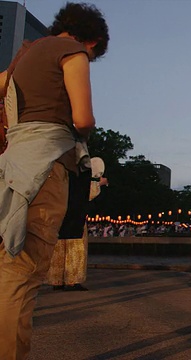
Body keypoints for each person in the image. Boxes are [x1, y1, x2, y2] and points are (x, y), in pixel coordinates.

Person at [0, 3, 109, 358]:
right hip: (45, 169)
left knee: (6, 265)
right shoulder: (72, 51)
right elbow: (83, 117)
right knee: (23, 273)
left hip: (11, 166)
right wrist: (85, 132)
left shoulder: (23, 57)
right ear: (91, 40)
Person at [46, 157, 108, 291]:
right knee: (75, 248)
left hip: (59, 215)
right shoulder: (80, 177)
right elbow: (87, 194)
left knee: (58, 248)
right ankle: (72, 280)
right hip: (76, 216)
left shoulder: (56, 173)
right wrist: (99, 183)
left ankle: (56, 280)